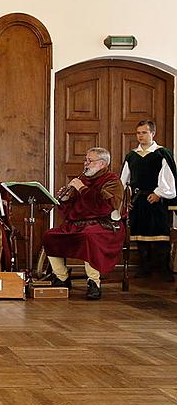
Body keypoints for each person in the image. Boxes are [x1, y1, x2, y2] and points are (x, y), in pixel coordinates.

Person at [42, 147, 125, 300]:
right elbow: (71, 212)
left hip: (104, 225)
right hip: (80, 224)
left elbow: (102, 207)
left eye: (89, 160)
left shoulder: (112, 181)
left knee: (89, 236)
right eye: (85, 160)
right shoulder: (84, 179)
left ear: (101, 164)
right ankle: (61, 277)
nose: (85, 164)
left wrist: (82, 188)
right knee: (50, 235)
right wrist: (65, 201)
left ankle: (94, 282)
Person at [120, 120, 177, 282]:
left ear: (153, 133)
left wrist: (159, 193)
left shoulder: (161, 154)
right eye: (138, 133)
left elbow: (168, 177)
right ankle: (145, 267)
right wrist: (127, 200)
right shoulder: (132, 156)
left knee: (160, 235)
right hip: (139, 200)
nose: (141, 136)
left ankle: (164, 269)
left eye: (144, 133)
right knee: (140, 235)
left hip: (156, 201)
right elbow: (124, 180)